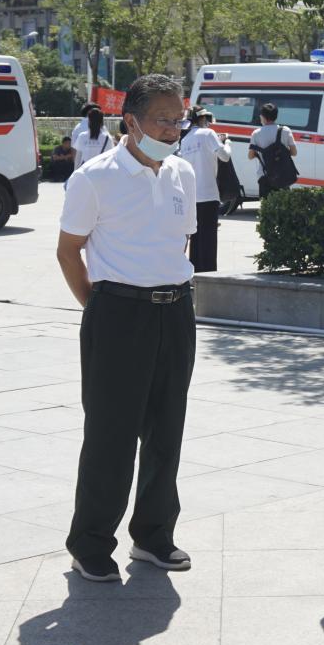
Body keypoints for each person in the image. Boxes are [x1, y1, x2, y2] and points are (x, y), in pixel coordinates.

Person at [56, 74, 198, 582]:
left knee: (167, 432)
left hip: (176, 311)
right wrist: (100, 307)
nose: (172, 127)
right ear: (131, 122)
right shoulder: (94, 177)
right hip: (118, 314)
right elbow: (68, 251)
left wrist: (164, 291)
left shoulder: (183, 172)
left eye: (178, 117)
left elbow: (178, 245)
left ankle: (154, 535)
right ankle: (91, 542)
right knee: (110, 437)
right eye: (162, 118)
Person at [179, 107, 232, 272]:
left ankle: (195, 272)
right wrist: (226, 143)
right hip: (209, 193)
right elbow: (225, 156)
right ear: (202, 119)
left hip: (191, 196)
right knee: (209, 238)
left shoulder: (185, 140)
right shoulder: (208, 134)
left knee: (195, 237)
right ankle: (209, 273)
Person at [248, 102, 298, 201]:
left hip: (265, 176)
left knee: (266, 209)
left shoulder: (256, 133)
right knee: (283, 208)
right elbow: (294, 152)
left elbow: (250, 156)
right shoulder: (285, 130)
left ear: (263, 117)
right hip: (283, 176)